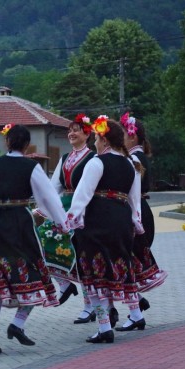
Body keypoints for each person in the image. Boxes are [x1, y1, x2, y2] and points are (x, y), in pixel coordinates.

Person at [0, 123, 69, 355]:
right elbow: (49, 198)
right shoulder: (31, 167)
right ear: (25, 145)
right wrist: (63, 224)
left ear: (7, 142)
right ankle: (18, 323)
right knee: (34, 274)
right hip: (19, 224)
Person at [67, 116, 145, 344]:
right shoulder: (131, 165)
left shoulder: (96, 163)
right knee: (120, 267)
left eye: (97, 139)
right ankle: (135, 315)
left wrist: (71, 220)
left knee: (95, 273)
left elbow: (82, 195)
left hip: (97, 221)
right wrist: (135, 223)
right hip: (121, 221)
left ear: (104, 139)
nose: (95, 144)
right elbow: (134, 201)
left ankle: (104, 327)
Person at [43, 113, 96, 324]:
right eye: (69, 130)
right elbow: (53, 187)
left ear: (87, 134)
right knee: (41, 240)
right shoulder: (65, 159)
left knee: (84, 258)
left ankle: (90, 306)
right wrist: (43, 209)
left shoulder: (93, 158)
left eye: (76, 130)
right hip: (64, 208)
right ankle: (64, 284)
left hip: (85, 209)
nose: (71, 133)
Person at [117, 113, 167, 329]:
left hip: (135, 210)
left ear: (133, 138)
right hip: (140, 209)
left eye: (123, 135)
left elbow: (130, 190)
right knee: (129, 262)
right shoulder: (137, 156)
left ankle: (135, 313)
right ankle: (136, 307)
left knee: (129, 263)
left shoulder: (134, 159)